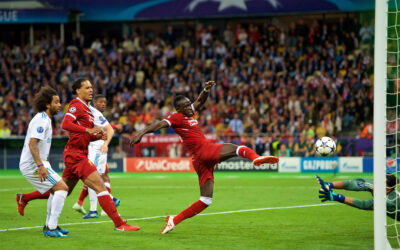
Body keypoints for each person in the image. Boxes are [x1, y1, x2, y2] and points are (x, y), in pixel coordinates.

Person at [130, 81, 279, 234]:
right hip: (204, 150)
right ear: (179, 109)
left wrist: (206, 89)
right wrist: (141, 133)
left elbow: (199, 101)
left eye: (189, 104)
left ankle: (174, 220)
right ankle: (255, 158)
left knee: (205, 200)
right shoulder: (176, 117)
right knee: (238, 148)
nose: (190, 107)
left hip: (198, 160)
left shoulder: (188, 114)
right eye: (187, 106)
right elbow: (159, 124)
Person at [61, 78, 139, 231]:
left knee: (61, 190)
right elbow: (65, 124)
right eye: (87, 87)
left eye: (91, 87)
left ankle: (27, 199)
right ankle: (118, 223)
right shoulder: (76, 105)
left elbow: (88, 134)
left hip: (78, 154)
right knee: (100, 186)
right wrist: (88, 131)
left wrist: (97, 136)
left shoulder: (87, 110)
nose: (91, 90)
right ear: (78, 90)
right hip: (77, 155)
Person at [17, 86, 69, 237]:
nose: (60, 105)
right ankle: (51, 228)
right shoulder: (41, 120)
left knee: (55, 190)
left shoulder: (45, 119)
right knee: (62, 188)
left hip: (40, 162)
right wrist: (40, 166)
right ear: (47, 104)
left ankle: (49, 226)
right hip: (32, 164)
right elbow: (32, 143)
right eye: (56, 102)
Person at [72, 94, 120, 218]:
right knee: (96, 177)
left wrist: (105, 144)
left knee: (92, 176)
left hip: (98, 148)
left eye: (105, 102)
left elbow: (110, 129)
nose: (104, 104)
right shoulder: (89, 111)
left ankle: (106, 202)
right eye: (101, 102)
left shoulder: (95, 113)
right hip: (92, 147)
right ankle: (95, 209)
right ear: (95, 103)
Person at [316, 174, 400, 220]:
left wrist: (337, 197)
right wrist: (329, 185)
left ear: (388, 190)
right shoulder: (377, 186)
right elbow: (353, 184)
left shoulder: (390, 202)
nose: (375, 185)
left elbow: (364, 204)